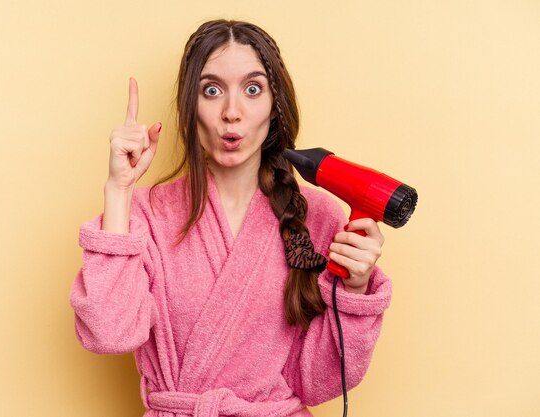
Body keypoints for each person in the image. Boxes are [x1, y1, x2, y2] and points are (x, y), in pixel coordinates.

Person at [70, 19, 392, 417]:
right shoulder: (145, 215)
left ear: (275, 106)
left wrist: (356, 291)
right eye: (211, 90)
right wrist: (118, 191)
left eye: (252, 89)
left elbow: (318, 380)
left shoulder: (319, 218)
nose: (231, 112)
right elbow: (109, 333)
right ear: (191, 106)